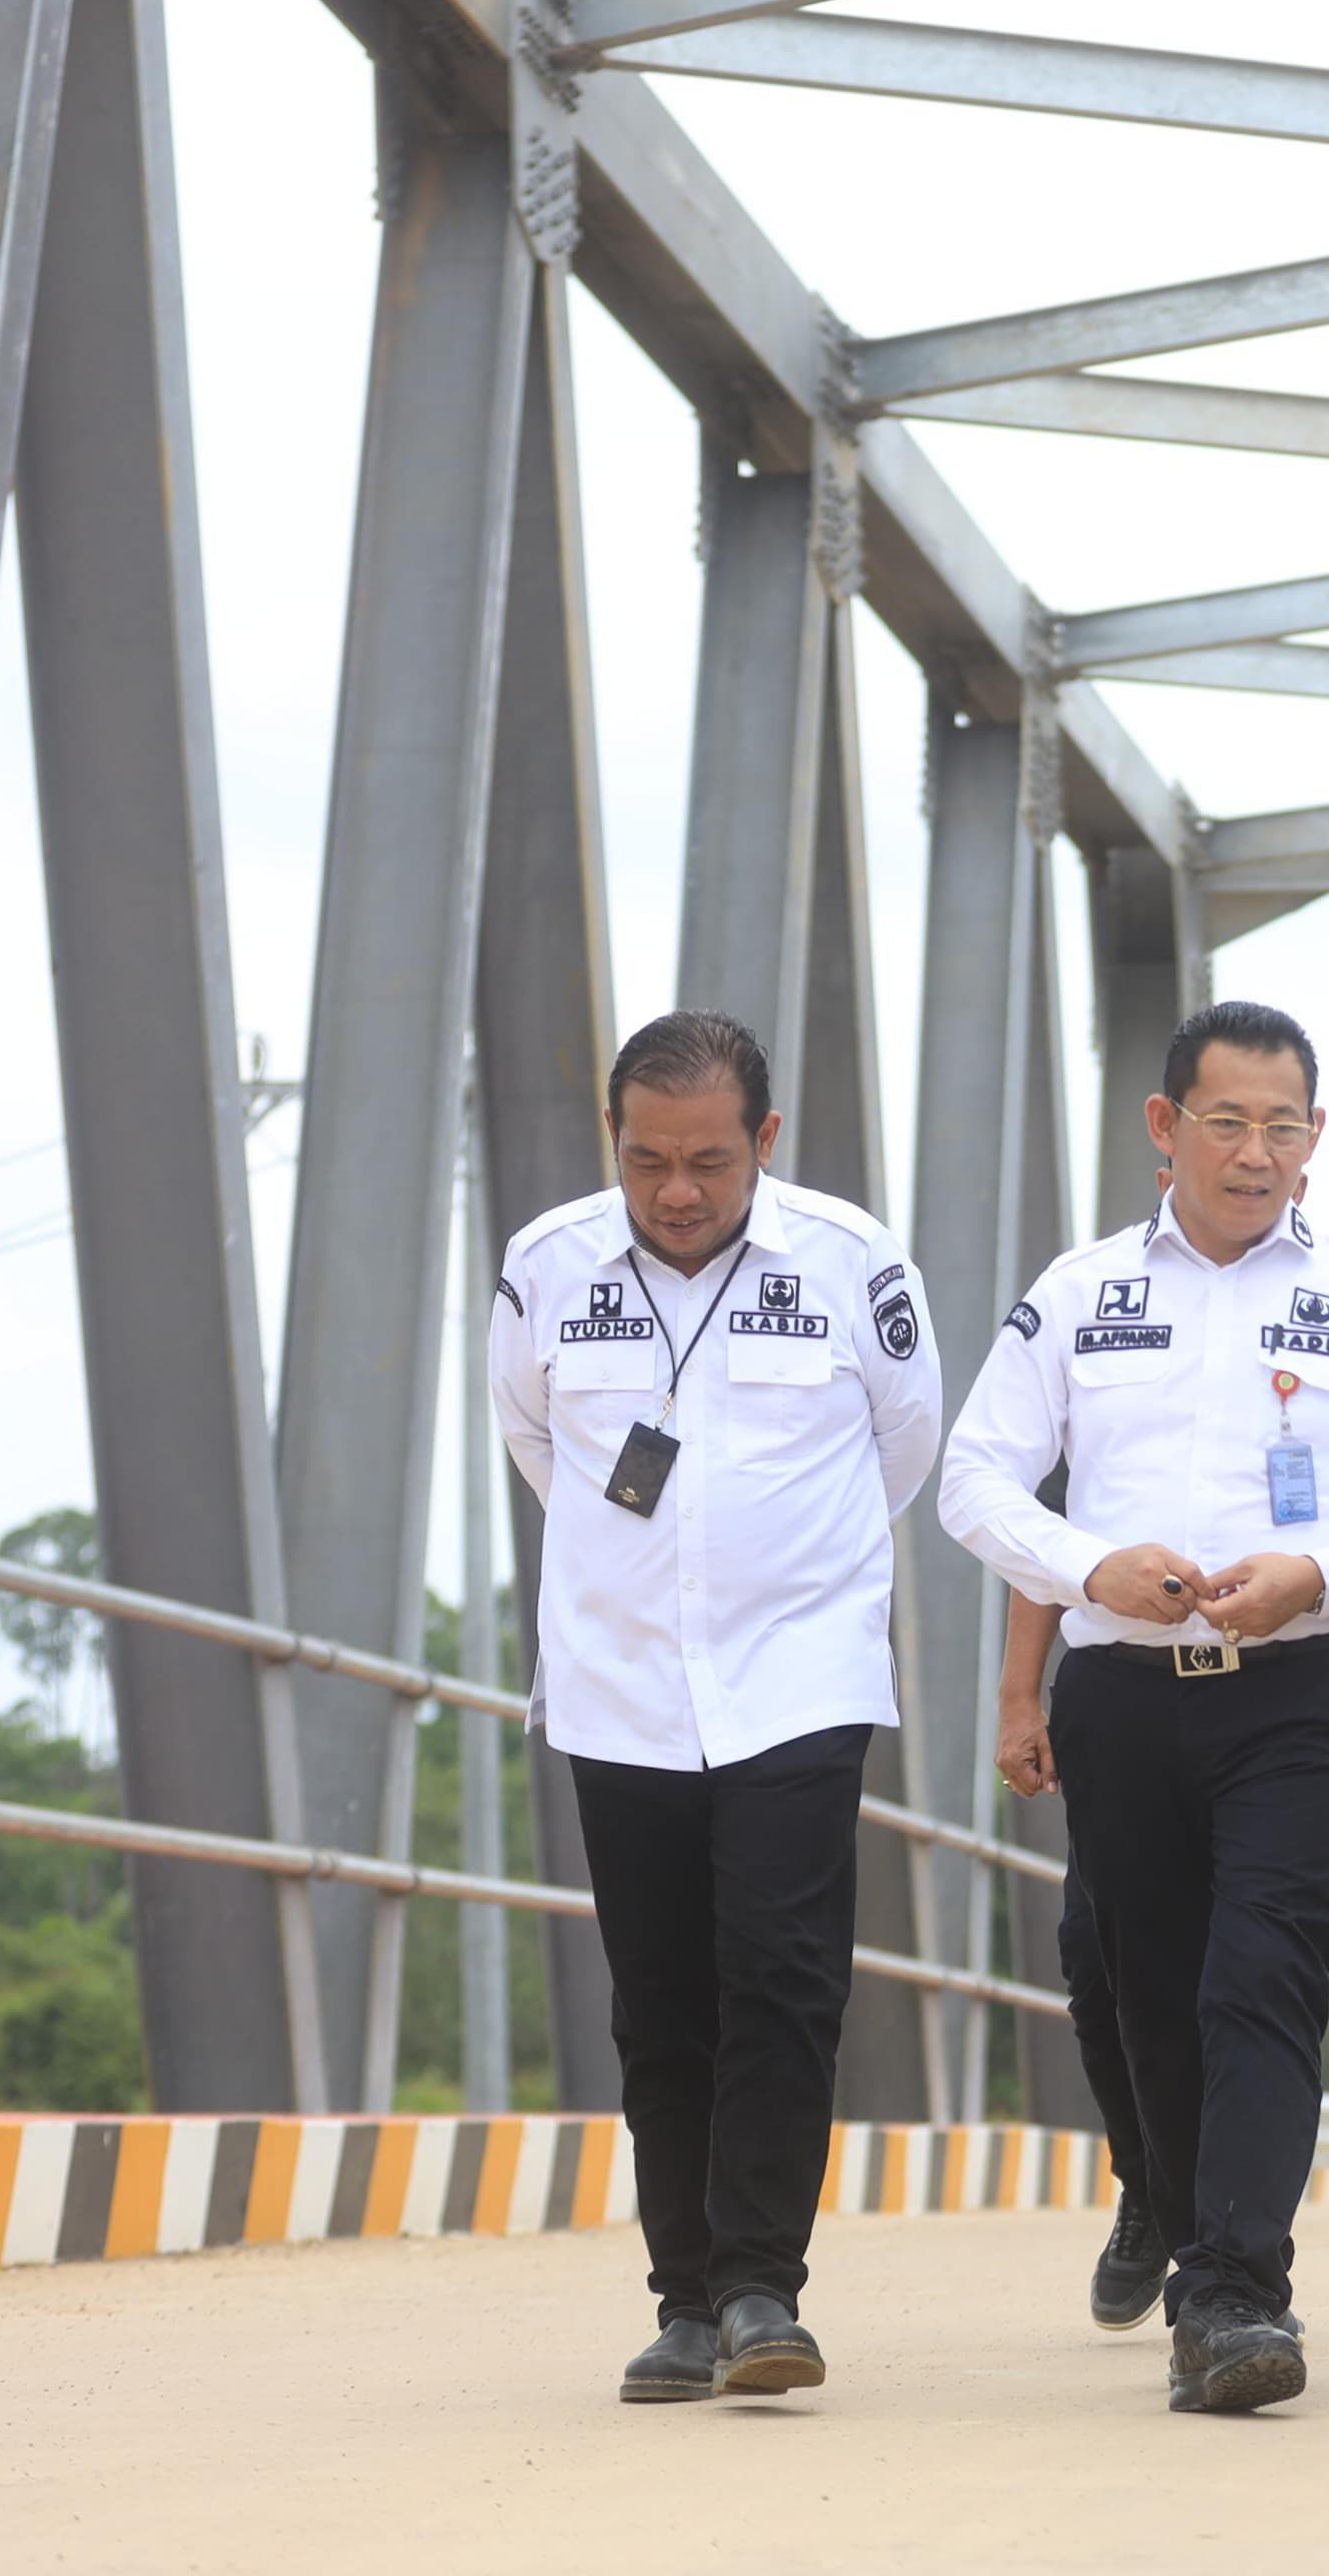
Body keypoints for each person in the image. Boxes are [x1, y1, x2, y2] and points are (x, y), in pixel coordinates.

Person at [938, 999, 1329, 2415]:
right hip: (1120, 1694)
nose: (1254, 1152)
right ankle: (1173, 2215)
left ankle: (1234, 2295)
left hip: (1298, 1696)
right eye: (1224, 1122)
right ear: (1164, 1128)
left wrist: (1322, 1570)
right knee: (1146, 2001)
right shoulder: (1079, 1289)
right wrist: (1083, 1566)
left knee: (1260, 1985)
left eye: (1281, 1125)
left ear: (1315, 1137)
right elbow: (976, 1477)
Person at [488, 1008, 944, 2405]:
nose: (675, 1192)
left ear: (765, 1141)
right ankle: (682, 2302)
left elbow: (904, 1443)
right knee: (662, 1998)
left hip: (795, 1682)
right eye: (645, 1162)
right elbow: (531, 1435)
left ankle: (759, 2289)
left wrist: (784, 1581)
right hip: (619, 1687)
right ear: (613, 1147)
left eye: (705, 1161)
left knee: (785, 1979)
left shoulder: (852, 1261)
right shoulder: (547, 1268)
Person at [992, 1590, 1163, 2331]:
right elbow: (1035, 1544)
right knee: (1096, 1969)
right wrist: (1019, 1697)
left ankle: (1237, 2240)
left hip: (1270, 1703)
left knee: (1244, 1978)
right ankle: (1149, 2188)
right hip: (1122, 1702)